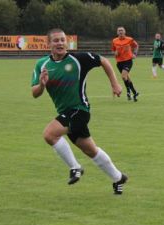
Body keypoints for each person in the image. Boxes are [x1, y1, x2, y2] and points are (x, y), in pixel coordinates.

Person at [32, 28, 128, 195]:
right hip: (66, 112)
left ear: (67, 42)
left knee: (49, 134)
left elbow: (103, 61)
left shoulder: (78, 59)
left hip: (80, 110)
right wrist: (42, 84)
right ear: (48, 44)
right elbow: (35, 93)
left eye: (63, 40)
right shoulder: (42, 65)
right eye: (56, 40)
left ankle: (75, 167)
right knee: (91, 150)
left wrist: (114, 83)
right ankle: (118, 177)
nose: (60, 43)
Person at [112, 27, 140, 101]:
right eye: (119, 31)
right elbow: (113, 50)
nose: (120, 32)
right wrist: (115, 53)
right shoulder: (114, 41)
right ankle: (134, 92)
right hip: (119, 62)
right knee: (126, 77)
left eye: (122, 30)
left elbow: (136, 46)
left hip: (128, 61)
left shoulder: (130, 39)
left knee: (124, 77)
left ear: (125, 32)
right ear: (117, 32)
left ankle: (128, 91)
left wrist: (135, 53)